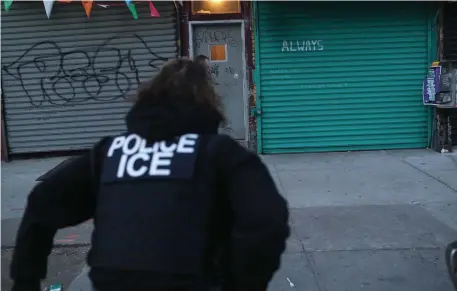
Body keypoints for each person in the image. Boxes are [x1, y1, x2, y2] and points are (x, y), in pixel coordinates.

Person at [10, 58, 290, 291]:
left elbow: (42, 202)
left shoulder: (111, 152)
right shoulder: (218, 153)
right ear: (208, 101)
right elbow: (267, 220)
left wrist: (26, 279)